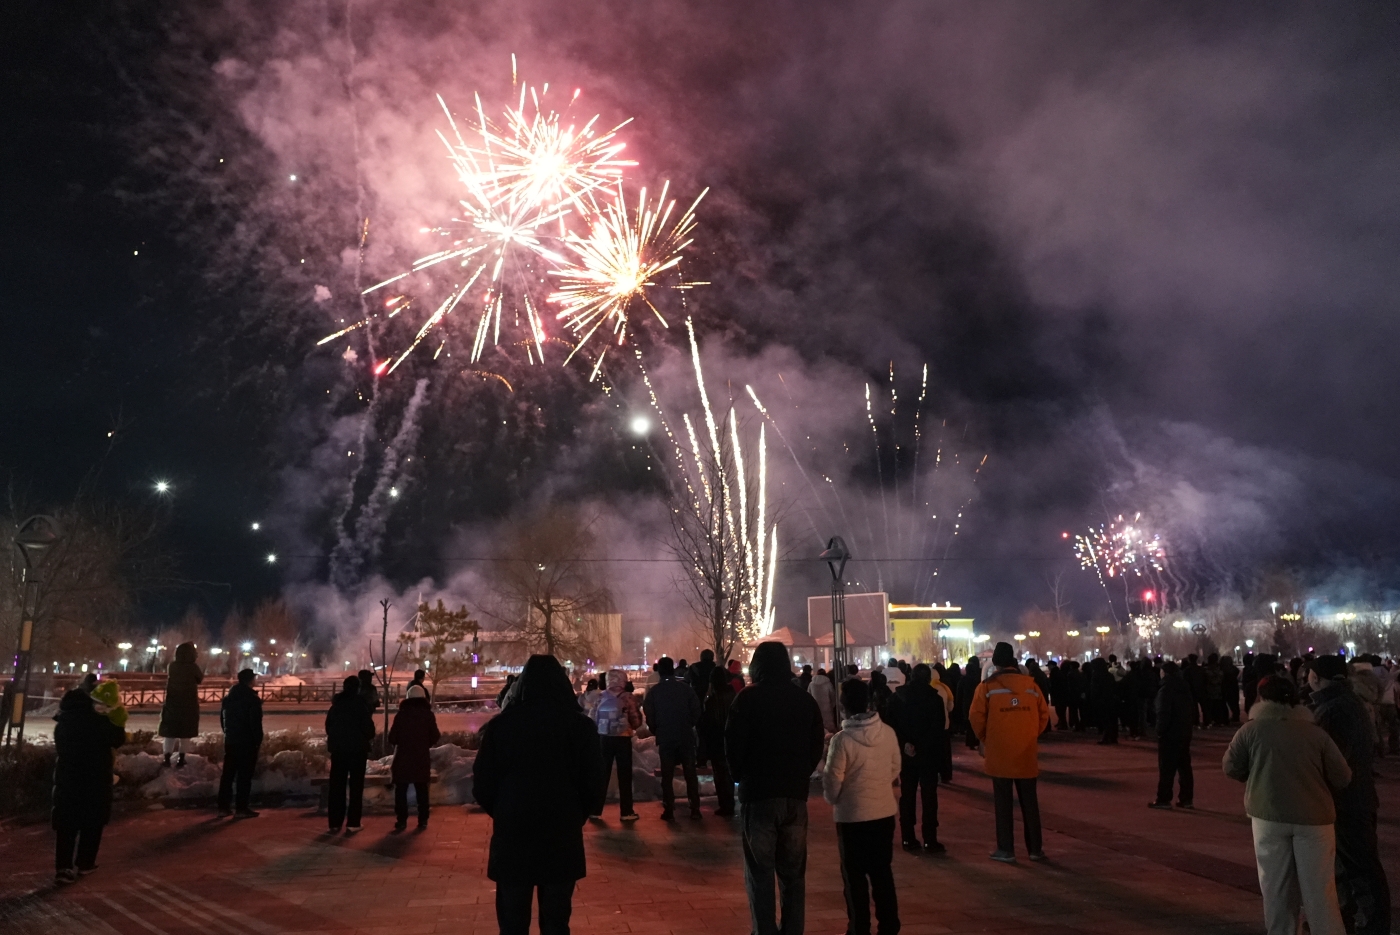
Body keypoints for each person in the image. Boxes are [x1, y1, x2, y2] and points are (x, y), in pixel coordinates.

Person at [473, 655, 605, 935]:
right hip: (561, 830)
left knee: (512, 921)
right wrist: (576, 813)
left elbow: (483, 783)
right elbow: (594, 783)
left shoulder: (502, 727)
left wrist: (504, 809)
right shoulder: (580, 727)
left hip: (513, 831)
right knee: (557, 921)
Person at [1223, 675, 1351, 935]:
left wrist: (1257, 776)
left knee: (1275, 888)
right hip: (1315, 818)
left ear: (1262, 698)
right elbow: (1343, 776)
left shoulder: (1251, 730)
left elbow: (1231, 767)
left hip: (1268, 815)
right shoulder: (1315, 733)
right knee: (1320, 892)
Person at [726, 641, 826, 935]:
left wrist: (740, 776)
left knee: (760, 871)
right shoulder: (804, 700)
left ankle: (764, 930)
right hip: (794, 796)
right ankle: (793, 929)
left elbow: (733, 745)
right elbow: (815, 744)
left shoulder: (746, 699)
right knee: (794, 873)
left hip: (758, 796)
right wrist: (799, 774)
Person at [1309, 656, 1390, 935]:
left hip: (1346, 800)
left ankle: (1371, 924)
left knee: (1359, 866)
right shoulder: (1346, 702)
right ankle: (1347, 918)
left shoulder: (1332, 709)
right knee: (1348, 865)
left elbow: (1333, 762)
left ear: (1316, 677)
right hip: (1355, 796)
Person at [823, 678, 902, 935]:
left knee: (854, 877)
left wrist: (834, 798)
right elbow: (894, 768)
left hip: (852, 816)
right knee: (882, 873)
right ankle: (889, 925)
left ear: (843, 706)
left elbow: (833, 779)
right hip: (882, 813)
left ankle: (859, 927)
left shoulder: (842, 740)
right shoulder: (887, 733)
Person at [969, 642, 1050, 863]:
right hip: (1026, 753)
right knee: (1030, 804)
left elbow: (976, 718)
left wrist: (987, 739)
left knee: (1003, 804)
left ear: (994, 662)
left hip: (1000, 753)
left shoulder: (986, 687)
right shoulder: (1031, 686)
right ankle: (1035, 849)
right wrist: (1029, 734)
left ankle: (1006, 849)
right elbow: (1044, 717)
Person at [51, 685, 125, 884]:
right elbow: (118, 739)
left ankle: (63, 868)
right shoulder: (99, 722)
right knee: (92, 822)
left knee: (67, 825)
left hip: (68, 780)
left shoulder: (62, 724)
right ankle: (85, 863)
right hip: (96, 779)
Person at [886, 663, 948, 853]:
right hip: (928, 754)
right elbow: (939, 729)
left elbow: (890, 724)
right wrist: (923, 746)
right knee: (929, 796)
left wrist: (906, 744)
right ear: (929, 679)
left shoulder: (898, 698)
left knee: (908, 794)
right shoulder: (935, 699)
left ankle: (908, 837)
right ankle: (930, 838)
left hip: (907, 754)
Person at [642, 656, 703, 820]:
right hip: (685, 737)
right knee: (690, 773)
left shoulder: (654, 692)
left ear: (659, 672)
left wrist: (657, 730)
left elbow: (649, 714)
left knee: (667, 775)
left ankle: (669, 808)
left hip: (666, 737)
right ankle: (695, 808)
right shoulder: (686, 689)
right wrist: (688, 724)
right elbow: (697, 710)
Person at [586, 669, 642, 821]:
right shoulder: (628, 697)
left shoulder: (600, 697)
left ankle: (595, 810)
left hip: (604, 739)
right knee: (625, 775)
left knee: (602, 774)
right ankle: (626, 811)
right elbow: (636, 721)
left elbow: (591, 719)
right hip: (623, 739)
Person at [326, 674, 376, 833]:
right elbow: (369, 730)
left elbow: (328, 727)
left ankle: (334, 822)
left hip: (338, 751)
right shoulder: (361, 706)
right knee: (356, 787)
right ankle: (353, 823)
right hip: (357, 751)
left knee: (336, 787)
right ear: (358, 689)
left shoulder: (336, 706)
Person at [389, 683, 440, 831]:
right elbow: (435, 736)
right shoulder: (428, 715)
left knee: (401, 790)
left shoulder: (401, 715)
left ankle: (401, 820)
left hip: (403, 758)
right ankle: (423, 819)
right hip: (421, 758)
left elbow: (392, 738)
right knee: (422, 789)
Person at [218, 668, 263, 819]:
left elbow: (223, 720)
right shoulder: (252, 699)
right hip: (247, 742)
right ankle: (241, 808)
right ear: (250, 680)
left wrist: (228, 734)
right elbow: (255, 723)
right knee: (244, 776)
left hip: (231, 740)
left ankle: (223, 807)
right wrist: (258, 740)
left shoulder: (229, 698)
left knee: (228, 775)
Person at [1149, 661, 1194, 809]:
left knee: (1167, 768)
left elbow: (1163, 712)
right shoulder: (1184, 687)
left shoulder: (1165, 689)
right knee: (1184, 767)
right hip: (1184, 731)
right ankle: (1186, 798)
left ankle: (1164, 798)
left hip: (1170, 733)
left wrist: (1160, 731)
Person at [157, 642, 202, 769]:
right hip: (188, 705)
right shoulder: (193, 667)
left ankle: (166, 759)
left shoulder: (172, 666)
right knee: (185, 734)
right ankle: (181, 760)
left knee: (170, 733)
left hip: (172, 703)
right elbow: (199, 679)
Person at [700, 666, 737, 816]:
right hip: (733, 741)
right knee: (729, 773)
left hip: (717, 743)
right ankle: (730, 803)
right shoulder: (735, 697)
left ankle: (725, 804)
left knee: (721, 775)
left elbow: (707, 725)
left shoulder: (711, 701)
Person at [955, 657, 982, 748]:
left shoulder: (963, 680)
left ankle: (970, 741)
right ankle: (978, 740)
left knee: (969, 722)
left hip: (966, 704)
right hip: (978, 702)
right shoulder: (980, 678)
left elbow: (959, 694)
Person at [810, 667, 841, 734]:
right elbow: (833, 697)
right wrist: (831, 706)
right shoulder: (828, 683)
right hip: (827, 709)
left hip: (815, 708)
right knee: (830, 729)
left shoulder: (811, 684)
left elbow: (809, 696)